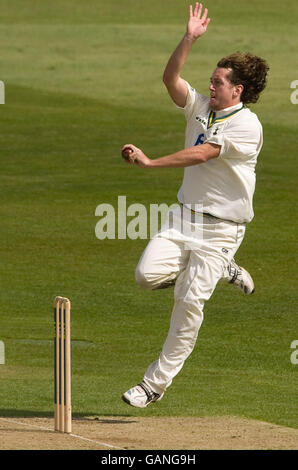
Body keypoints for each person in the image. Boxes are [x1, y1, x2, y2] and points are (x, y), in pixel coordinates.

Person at [121, 2, 269, 408]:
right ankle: (224, 269)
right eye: (212, 79)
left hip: (221, 229)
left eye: (218, 81)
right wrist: (189, 37)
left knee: (188, 302)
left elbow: (202, 154)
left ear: (237, 90)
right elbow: (170, 78)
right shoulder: (201, 106)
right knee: (145, 276)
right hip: (183, 218)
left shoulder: (246, 126)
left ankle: (154, 385)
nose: (211, 84)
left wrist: (151, 162)